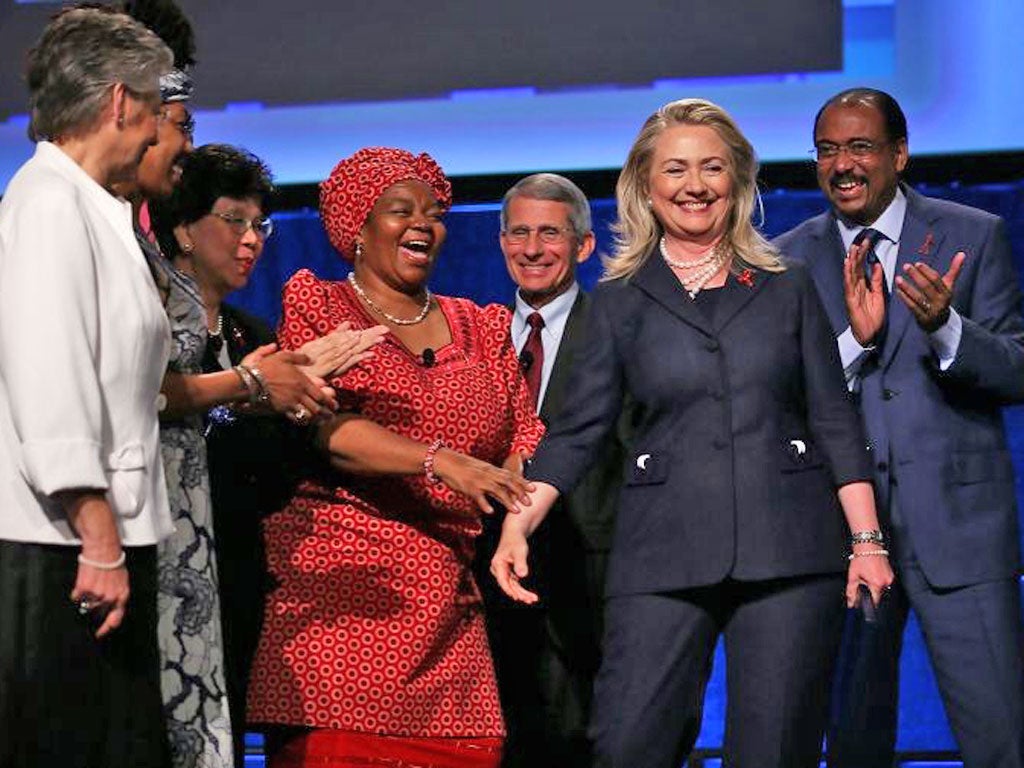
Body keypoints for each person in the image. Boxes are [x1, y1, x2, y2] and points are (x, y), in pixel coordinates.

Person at [491, 98, 894, 768]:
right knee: (626, 745)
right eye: (675, 169)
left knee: (772, 752)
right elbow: (575, 432)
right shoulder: (619, 302)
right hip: (660, 552)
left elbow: (831, 416)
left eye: (712, 167)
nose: (695, 185)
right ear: (646, 186)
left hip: (789, 552)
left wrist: (867, 541)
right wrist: (518, 524)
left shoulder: (786, 285)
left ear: (735, 180)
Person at [246, 146, 544, 768]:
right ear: (358, 226)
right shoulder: (321, 308)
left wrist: (512, 502)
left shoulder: (480, 325)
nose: (424, 224)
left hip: (452, 629)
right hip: (343, 616)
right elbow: (325, 428)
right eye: (400, 210)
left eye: (433, 213)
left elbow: (524, 435)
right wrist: (440, 460)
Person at [774, 87, 1024, 768]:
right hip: (843, 540)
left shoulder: (973, 235)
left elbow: (1017, 371)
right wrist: (854, 345)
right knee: (853, 740)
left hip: (960, 530)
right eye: (827, 151)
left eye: (859, 147)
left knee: (1001, 734)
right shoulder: (786, 261)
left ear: (900, 153)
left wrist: (947, 327)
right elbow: (779, 400)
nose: (842, 165)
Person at [150, 143, 385, 766]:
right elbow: (152, 422)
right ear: (181, 227)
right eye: (234, 221)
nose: (251, 239)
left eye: (260, 225)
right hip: (164, 570)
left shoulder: (252, 336)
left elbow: (272, 477)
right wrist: (245, 396)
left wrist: (303, 407)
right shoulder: (151, 329)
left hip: (240, 574)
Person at [0, 8, 174, 767]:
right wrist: (98, 537)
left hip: (88, 538)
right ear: (117, 103)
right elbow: (50, 371)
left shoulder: (88, 205)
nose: (157, 132)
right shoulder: (46, 203)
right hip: (60, 545)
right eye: (154, 108)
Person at [474, 173, 629, 767]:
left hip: (591, 576)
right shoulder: (475, 335)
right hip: (492, 576)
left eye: (549, 234)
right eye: (518, 232)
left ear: (584, 246)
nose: (532, 249)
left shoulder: (615, 330)